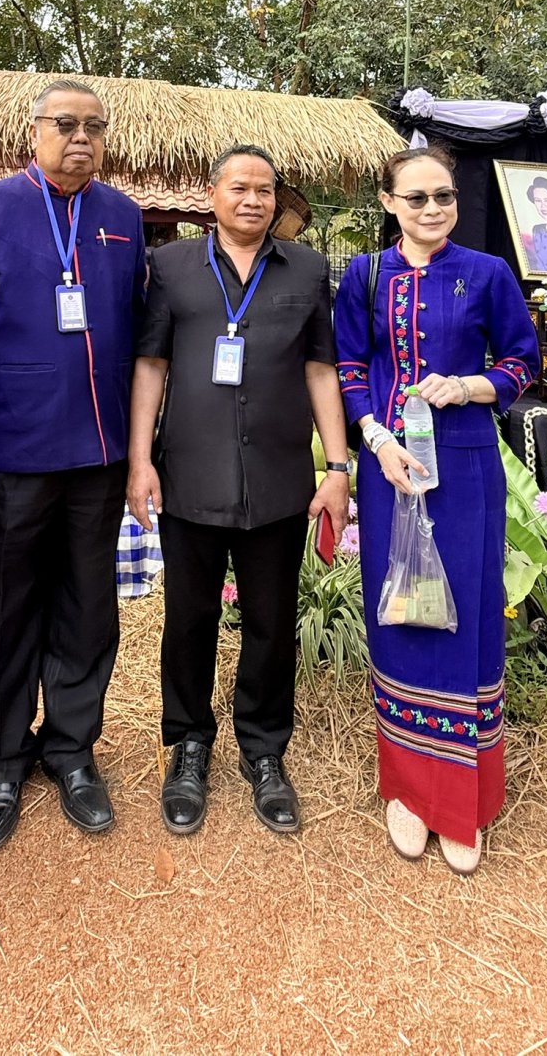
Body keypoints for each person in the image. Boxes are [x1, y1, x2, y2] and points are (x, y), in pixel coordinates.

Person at [0, 79, 146, 852]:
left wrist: (141, 448)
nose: (81, 137)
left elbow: (138, 331)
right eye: (65, 123)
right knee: (8, 606)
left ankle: (71, 749)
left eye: (94, 125)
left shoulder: (123, 215)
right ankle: (3, 760)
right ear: (35, 131)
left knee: (88, 607)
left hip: (99, 450)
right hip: (13, 449)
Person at [128, 145, 350, 837]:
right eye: (240, 188)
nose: (253, 200)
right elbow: (150, 365)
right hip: (190, 477)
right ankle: (189, 746)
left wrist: (337, 468)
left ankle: (264, 750)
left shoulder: (306, 268)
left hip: (279, 482)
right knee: (188, 621)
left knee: (271, 624)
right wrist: (140, 460)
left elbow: (321, 370)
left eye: (265, 190)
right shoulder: (170, 266)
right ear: (212, 195)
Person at [334, 145, 539, 876]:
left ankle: (461, 801)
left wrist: (470, 387)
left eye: (443, 196)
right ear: (389, 202)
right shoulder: (364, 275)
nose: (432, 209)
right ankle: (407, 790)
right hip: (390, 466)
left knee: (466, 615)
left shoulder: (487, 273)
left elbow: (521, 361)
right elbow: (349, 367)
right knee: (400, 612)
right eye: (416, 197)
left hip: (466, 465)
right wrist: (376, 438)